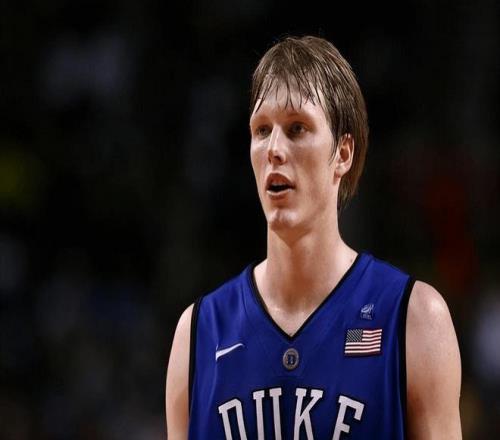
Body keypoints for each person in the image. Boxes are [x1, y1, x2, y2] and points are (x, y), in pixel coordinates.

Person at [166, 35, 462, 439]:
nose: (274, 149)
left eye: (297, 128)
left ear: (343, 153)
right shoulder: (198, 333)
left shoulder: (414, 319)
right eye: (262, 130)